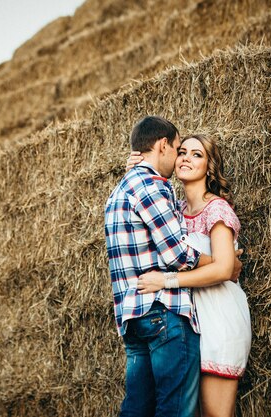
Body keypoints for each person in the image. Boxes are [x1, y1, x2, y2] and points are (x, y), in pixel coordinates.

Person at [104, 116, 241, 417]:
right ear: (164, 146)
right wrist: (222, 265)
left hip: (207, 316)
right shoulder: (161, 194)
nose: (184, 158)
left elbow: (213, 266)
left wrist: (223, 265)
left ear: (210, 166)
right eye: (181, 150)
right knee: (175, 410)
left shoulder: (123, 191)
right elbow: (179, 255)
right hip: (167, 313)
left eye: (196, 154)